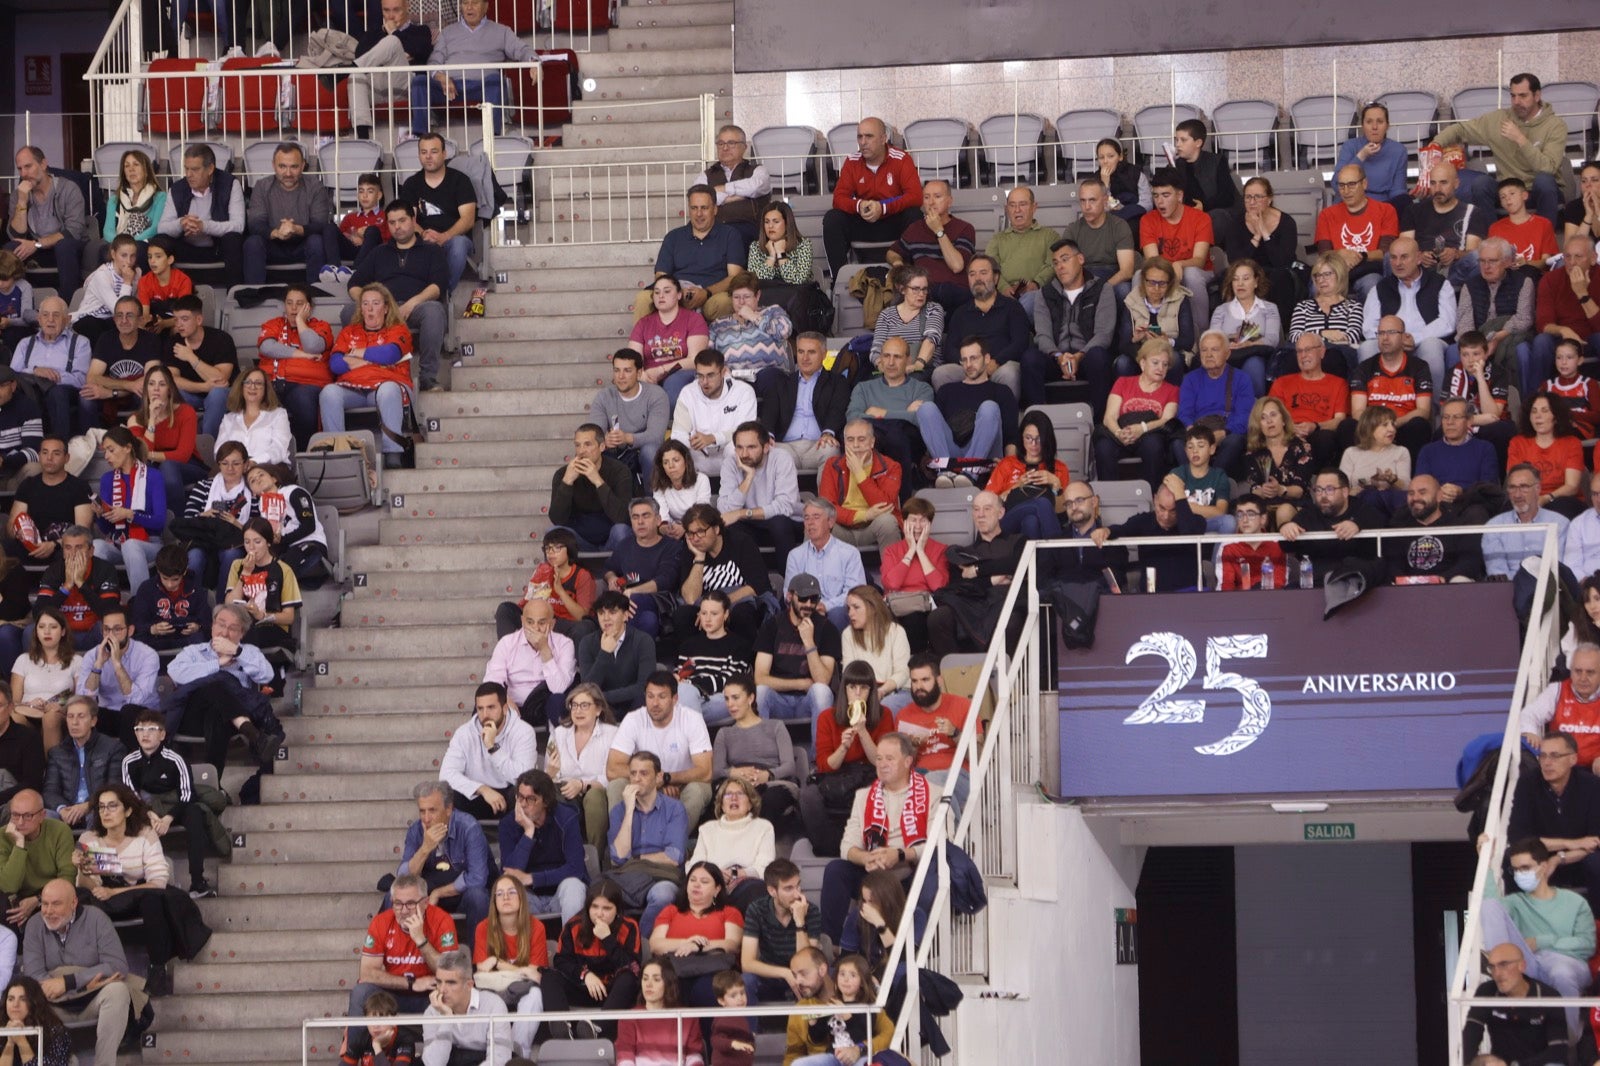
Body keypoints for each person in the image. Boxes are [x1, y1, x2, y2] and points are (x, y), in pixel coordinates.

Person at [72, 783, 210, 997]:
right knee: (78, 898)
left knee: (153, 900)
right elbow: (87, 886)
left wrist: (113, 892)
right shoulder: (88, 839)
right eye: (101, 807)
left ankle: (157, 969)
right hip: (103, 898)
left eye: (112, 806)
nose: (106, 812)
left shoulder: (145, 835)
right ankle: (84, 971)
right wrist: (81, 869)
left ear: (127, 810)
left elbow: (158, 882)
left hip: (137, 895)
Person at [819, 733, 932, 942]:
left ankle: (918, 942)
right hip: (872, 872)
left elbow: (940, 847)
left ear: (908, 761)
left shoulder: (932, 793)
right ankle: (831, 944)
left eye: (890, 758)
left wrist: (899, 855)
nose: (882, 764)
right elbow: (847, 846)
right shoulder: (864, 796)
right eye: (879, 758)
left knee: (932, 870)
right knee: (836, 869)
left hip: (908, 875)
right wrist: (866, 858)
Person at [19, 879, 132, 1066]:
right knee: (24, 1000)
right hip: (53, 1004)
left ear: (73, 903)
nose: (48, 911)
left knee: (118, 991)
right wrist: (73, 988)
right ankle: (65, 1060)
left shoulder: (96, 918)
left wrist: (70, 982)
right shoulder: (34, 924)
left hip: (91, 997)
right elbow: (33, 974)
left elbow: (117, 965)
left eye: (56, 904)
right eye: (44, 904)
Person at [162, 604, 283, 777]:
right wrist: (217, 664)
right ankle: (261, 726)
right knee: (219, 680)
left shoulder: (248, 652)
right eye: (221, 624)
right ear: (212, 626)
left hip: (228, 720)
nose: (225, 633)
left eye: (233, 628)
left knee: (217, 711)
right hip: (192, 716)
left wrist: (237, 652)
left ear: (242, 633)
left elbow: (267, 675)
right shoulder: (194, 651)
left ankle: (214, 782)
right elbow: (175, 673)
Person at [1434, 72, 1572, 224]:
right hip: (1507, 190)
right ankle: (1493, 234)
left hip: (1539, 191)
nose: (1516, 102)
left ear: (1537, 96)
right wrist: (1435, 146)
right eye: (1513, 96)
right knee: (1481, 184)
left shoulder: (1555, 125)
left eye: (1523, 96)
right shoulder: (1499, 119)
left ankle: (1545, 235)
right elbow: (1459, 129)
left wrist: (1520, 139)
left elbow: (1548, 168)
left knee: (1544, 180)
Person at [120, 708, 223, 901]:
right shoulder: (128, 761)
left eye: (151, 729)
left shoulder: (175, 759)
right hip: (146, 809)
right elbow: (131, 796)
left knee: (195, 813)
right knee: (126, 817)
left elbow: (187, 794)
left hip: (175, 806)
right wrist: (151, 816)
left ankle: (197, 882)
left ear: (162, 734)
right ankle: (136, 882)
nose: (145, 734)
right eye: (140, 729)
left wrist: (168, 819)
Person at [348, 201, 449, 396]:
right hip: (383, 310)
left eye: (402, 220)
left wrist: (412, 303)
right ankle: (363, 371)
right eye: (392, 222)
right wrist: (371, 304)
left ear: (413, 220)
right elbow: (354, 284)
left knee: (434, 311)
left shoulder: (432, 250)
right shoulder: (379, 252)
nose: (397, 227)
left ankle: (427, 377)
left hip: (417, 307)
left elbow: (437, 286)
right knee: (348, 312)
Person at [797, 662, 897, 859]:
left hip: (870, 774)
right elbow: (825, 765)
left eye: (863, 688)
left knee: (880, 791)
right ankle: (828, 849)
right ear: (844, 690)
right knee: (808, 795)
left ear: (871, 691)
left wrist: (862, 731)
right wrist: (843, 747)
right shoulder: (827, 717)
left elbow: (882, 763)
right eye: (852, 687)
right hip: (838, 776)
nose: (857, 693)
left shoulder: (884, 715)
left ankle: (871, 846)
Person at [346, 872, 458, 1041]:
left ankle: (448, 1052)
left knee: (452, 991)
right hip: (394, 992)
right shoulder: (381, 922)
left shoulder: (442, 920)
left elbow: (449, 972)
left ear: (425, 903)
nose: (404, 911)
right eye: (398, 904)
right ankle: (353, 1053)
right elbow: (367, 973)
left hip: (430, 993)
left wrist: (421, 940)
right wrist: (411, 983)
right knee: (361, 992)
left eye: (411, 904)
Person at [321, 283, 415, 470]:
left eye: (375, 303)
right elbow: (336, 364)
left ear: (386, 308)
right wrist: (373, 360)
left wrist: (356, 354)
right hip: (352, 388)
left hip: (384, 387)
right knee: (329, 392)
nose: (370, 308)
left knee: (388, 389)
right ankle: (337, 452)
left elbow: (390, 354)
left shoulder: (398, 330)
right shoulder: (349, 332)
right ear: (361, 308)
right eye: (365, 304)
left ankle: (393, 453)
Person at [605, 671, 714, 828]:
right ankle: (623, 840)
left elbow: (705, 772)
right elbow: (613, 769)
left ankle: (674, 840)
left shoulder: (692, 719)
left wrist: (668, 778)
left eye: (662, 697)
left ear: (674, 699)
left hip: (682, 784)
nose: (655, 703)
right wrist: (652, 781)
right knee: (616, 785)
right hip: (644, 783)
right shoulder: (633, 719)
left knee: (697, 790)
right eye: (650, 696)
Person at [411, 0, 531, 135]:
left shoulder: (501, 31)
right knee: (419, 82)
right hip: (449, 87)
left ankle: (492, 137)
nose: (469, 7)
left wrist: (533, 62)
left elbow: (522, 50)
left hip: (482, 86)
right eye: (465, 3)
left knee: (496, 81)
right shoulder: (447, 32)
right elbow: (434, 61)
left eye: (474, 3)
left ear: (485, 6)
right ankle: (420, 137)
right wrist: (441, 77)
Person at [1024, 238, 1114, 414]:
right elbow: (1042, 335)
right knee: (1030, 358)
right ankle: (1037, 420)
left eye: (1065, 260)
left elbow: (1104, 334)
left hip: (1087, 357)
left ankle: (1100, 422)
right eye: (1056, 263)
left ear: (1080, 259)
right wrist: (1059, 357)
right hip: (1057, 359)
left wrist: (1079, 356)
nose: (1060, 266)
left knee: (1099, 356)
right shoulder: (1045, 293)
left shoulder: (1102, 289)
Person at [822, 118, 922, 275]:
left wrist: (883, 208)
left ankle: (912, 277)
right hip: (863, 222)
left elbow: (915, 196)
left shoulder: (901, 159)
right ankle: (838, 279)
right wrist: (859, 206)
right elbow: (839, 198)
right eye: (860, 137)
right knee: (832, 218)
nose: (863, 142)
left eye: (869, 136)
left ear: (883, 139)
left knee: (914, 214)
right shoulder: (852, 161)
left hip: (892, 222)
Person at [543, 878, 643, 1036]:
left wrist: (608, 939)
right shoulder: (573, 925)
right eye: (594, 907)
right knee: (549, 976)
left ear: (617, 910)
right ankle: (560, 1027)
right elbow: (561, 961)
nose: (599, 914)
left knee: (629, 979)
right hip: (583, 987)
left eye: (607, 908)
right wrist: (585, 975)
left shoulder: (629, 926)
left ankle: (597, 1029)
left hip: (613, 994)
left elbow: (634, 967)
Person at [928, 492, 1023, 655]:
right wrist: (992, 580)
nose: (980, 515)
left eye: (987, 509)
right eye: (976, 509)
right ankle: (956, 669)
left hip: (1006, 602)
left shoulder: (1018, 541)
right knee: (938, 617)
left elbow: (1015, 564)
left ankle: (1003, 670)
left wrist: (977, 570)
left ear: (1000, 513)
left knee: (1012, 619)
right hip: (972, 604)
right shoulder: (965, 553)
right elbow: (960, 585)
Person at [395, 781, 490, 943]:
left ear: (448, 809)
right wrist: (425, 849)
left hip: (460, 894)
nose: (426, 818)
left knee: (478, 897)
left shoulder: (468, 827)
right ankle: (398, 954)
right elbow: (403, 880)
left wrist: (438, 893)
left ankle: (478, 957)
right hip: (426, 896)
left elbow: (477, 878)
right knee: (394, 898)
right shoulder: (416, 830)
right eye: (422, 811)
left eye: (432, 810)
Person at [633, 187, 744, 326]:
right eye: (694, 208)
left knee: (724, 302)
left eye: (704, 208)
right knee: (643, 299)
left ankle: (720, 339)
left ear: (715, 209)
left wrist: (706, 293)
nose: (699, 214)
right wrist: (677, 293)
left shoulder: (730, 235)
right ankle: (640, 341)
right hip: (676, 294)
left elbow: (734, 277)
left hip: (712, 295)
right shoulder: (673, 237)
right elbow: (661, 276)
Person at [607, 751, 688, 941]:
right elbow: (619, 856)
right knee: (599, 895)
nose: (637, 779)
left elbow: (673, 857)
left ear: (658, 777)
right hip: (628, 877)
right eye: (633, 773)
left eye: (644, 773)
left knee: (663, 895)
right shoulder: (619, 810)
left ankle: (638, 943)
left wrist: (636, 859)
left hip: (661, 877)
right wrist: (629, 810)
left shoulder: (674, 809)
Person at [647, 861, 744, 1016]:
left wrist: (698, 946)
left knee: (706, 989)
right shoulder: (671, 911)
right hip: (677, 969)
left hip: (713, 970)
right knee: (671, 985)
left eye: (704, 882)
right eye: (692, 880)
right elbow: (655, 944)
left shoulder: (729, 912)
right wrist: (687, 942)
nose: (696, 885)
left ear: (717, 889)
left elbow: (732, 944)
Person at [1358, 237, 1454, 387]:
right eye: (1393, 257)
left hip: (1426, 341)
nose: (1398, 263)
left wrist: (1415, 338)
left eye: (1404, 257)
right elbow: (1369, 327)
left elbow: (1447, 322)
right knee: (1367, 347)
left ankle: (1433, 402)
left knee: (1431, 346)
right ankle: (1372, 401)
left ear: (1418, 258)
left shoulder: (1439, 283)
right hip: (1390, 342)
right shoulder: (1380, 288)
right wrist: (1393, 338)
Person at [473, 871, 548, 1060]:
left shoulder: (536, 927)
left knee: (535, 995)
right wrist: (520, 970)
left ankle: (517, 1054)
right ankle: (501, 1053)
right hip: (493, 989)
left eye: (511, 892)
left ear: (521, 897)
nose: (505, 897)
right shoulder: (483, 927)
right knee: (484, 998)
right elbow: (482, 970)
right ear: (494, 901)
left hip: (523, 989)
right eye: (499, 894)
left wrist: (498, 963)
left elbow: (535, 974)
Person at [243, 142, 339, 285]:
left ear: (303, 165)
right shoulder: (262, 186)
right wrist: (276, 233)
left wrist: (295, 229)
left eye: (294, 167)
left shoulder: (315, 186)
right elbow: (255, 224)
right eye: (282, 166)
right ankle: (253, 294)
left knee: (316, 241)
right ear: (273, 165)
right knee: (252, 243)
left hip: (303, 244)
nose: (288, 173)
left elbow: (320, 224)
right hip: (272, 245)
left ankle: (318, 292)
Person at [675, 503, 774, 639]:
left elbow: (757, 585)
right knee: (683, 615)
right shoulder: (690, 548)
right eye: (690, 533)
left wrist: (719, 606)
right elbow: (691, 599)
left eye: (701, 531)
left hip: (738, 602)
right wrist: (699, 558)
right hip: (704, 607)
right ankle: (692, 653)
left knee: (742, 613)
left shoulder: (741, 542)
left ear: (716, 529)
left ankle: (745, 653)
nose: (695, 538)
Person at [440, 682, 537, 821]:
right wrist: (482, 789)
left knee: (523, 794)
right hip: (478, 795)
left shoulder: (523, 731)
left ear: (504, 708)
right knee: (448, 795)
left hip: (509, 798)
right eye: (480, 708)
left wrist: (493, 748)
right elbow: (446, 775)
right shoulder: (464, 733)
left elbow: (523, 778)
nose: (485, 714)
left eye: (491, 707)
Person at [1344, 314, 1435, 460]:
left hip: (1403, 425)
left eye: (1391, 332)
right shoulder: (1365, 368)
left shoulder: (1419, 367)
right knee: (1348, 426)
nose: (1385, 338)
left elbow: (1423, 411)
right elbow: (1357, 411)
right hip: (1372, 428)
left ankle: (1412, 473)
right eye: (1381, 333)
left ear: (1404, 337)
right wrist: (1378, 426)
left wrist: (1392, 424)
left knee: (1419, 425)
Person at [755, 574, 842, 724]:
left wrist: (809, 643)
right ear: (789, 596)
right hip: (778, 700)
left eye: (813, 599)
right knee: (760, 692)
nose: (808, 604)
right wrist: (800, 684)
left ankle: (820, 741)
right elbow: (760, 678)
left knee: (821, 691)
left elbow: (822, 680)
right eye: (803, 598)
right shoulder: (772, 625)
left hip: (808, 700)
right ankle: (762, 740)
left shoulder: (827, 629)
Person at [844, 339, 934, 486]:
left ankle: (900, 494)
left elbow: (921, 419)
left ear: (908, 360)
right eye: (886, 356)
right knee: (872, 435)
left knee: (896, 434)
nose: (891, 362)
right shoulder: (863, 388)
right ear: (880, 358)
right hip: (874, 440)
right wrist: (903, 414)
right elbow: (852, 417)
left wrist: (881, 413)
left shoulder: (922, 389)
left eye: (897, 357)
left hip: (909, 443)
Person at [156, 144, 245, 288]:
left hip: (218, 247)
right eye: (186, 169)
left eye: (195, 169)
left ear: (210, 169)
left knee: (233, 239)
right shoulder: (177, 189)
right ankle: (163, 293)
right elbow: (162, 228)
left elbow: (238, 225)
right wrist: (182, 223)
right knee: (160, 241)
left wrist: (204, 226)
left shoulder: (230, 184)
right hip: (187, 247)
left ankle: (235, 295)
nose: (189, 175)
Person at [937, 257, 1029, 397]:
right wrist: (968, 363)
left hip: (1000, 366)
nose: (977, 278)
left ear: (996, 278)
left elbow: (1020, 343)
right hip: (967, 367)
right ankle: (958, 411)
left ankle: (1006, 411)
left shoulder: (1012, 307)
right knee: (941, 374)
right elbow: (950, 348)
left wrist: (996, 362)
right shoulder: (960, 313)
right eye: (972, 274)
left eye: (983, 273)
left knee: (1009, 373)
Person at [396, 133, 476, 293]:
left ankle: (442, 292)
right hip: (423, 240)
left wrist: (445, 236)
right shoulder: (411, 184)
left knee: (459, 245)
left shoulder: (460, 181)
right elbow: (407, 219)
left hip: (454, 239)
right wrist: (423, 233)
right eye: (423, 152)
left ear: (444, 154)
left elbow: (468, 219)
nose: (428, 157)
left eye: (434, 151)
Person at [1090, 481, 1207, 591]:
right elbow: (1121, 530)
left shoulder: (1196, 521)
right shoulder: (1143, 521)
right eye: (1162, 508)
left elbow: (1191, 532)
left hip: (1190, 593)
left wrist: (1182, 500)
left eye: (1173, 511)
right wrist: (1106, 530)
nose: (1166, 516)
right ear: (1155, 500)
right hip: (1152, 596)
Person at [1276, 470, 1386, 585]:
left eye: (1329, 489)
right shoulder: (1309, 513)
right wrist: (1286, 527)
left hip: (1356, 581)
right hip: (1316, 582)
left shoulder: (1362, 509)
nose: (1323, 495)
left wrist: (1358, 524)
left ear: (1345, 492)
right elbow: (1287, 547)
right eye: (1318, 490)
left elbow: (1380, 522)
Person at [1456, 237, 1536, 395]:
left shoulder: (1523, 282)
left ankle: (1525, 399)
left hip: (1510, 337)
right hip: (1478, 339)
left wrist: (1497, 337)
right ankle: (1461, 400)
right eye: (1482, 261)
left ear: (1507, 262)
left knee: (1522, 351)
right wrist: (1477, 347)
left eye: (1492, 261)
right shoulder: (1470, 285)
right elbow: (1464, 324)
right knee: (1454, 351)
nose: (1486, 267)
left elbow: (1524, 319)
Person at [1097, 340, 1181, 490]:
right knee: (1103, 447)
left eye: (1165, 364)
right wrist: (1118, 433)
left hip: (1150, 433)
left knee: (1154, 445)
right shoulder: (1123, 382)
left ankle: (1152, 495)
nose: (1160, 368)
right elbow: (1109, 417)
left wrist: (1142, 428)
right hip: (1122, 431)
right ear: (1142, 363)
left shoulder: (1172, 390)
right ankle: (1108, 495)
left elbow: (1167, 419)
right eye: (1155, 363)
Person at [6, 148, 88, 300]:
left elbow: (74, 231)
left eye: (28, 166)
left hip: (67, 247)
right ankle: (17, 303)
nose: (24, 174)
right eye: (20, 169)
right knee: (10, 248)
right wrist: (22, 201)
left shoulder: (68, 188)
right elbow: (16, 235)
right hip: (36, 249)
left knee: (64, 246)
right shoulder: (19, 194)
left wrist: (36, 244)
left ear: (43, 164)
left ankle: (67, 305)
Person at [693, 769, 780, 911]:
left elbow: (765, 867)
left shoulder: (763, 827)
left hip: (747, 885)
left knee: (756, 890)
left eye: (740, 793)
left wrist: (737, 874)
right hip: (714, 886)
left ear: (750, 803)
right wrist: (715, 875)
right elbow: (696, 864)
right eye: (728, 794)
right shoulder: (707, 829)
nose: (734, 798)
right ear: (721, 805)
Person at [90, 427, 163, 595]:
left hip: (150, 543)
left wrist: (130, 515)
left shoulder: (153, 476)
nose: (106, 456)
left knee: (131, 545)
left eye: (111, 450)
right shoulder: (107, 479)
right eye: (105, 451)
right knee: (96, 546)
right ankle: (101, 599)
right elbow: (107, 529)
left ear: (128, 448)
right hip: (117, 542)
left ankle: (140, 601)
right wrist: (100, 515)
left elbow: (159, 522)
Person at [548, 684, 620, 854]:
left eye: (584, 705)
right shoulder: (559, 733)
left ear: (598, 709)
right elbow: (552, 775)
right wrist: (550, 773)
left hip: (597, 792)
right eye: (574, 705)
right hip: (565, 794)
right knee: (554, 795)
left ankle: (595, 855)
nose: (578, 711)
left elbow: (611, 775)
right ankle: (563, 853)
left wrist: (582, 784)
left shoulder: (613, 734)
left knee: (593, 798)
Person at [484, 597, 576, 730]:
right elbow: (492, 679)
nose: (535, 628)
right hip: (513, 704)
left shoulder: (565, 644)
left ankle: (557, 742)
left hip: (543, 703)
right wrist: (503, 699)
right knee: (487, 703)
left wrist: (545, 650)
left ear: (552, 624)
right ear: (522, 621)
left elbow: (558, 688)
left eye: (542, 623)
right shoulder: (507, 643)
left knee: (559, 701)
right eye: (530, 622)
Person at [152, 293, 236, 438]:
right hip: (192, 395)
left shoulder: (221, 339)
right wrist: (203, 387)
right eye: (176, 319)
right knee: (171, 392)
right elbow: (172, 380)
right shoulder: (173, 342)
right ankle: (179, 441)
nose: (179, 325)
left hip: (224, 395)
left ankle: (208, 443)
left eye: (184, 319)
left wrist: (191, 357)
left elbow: (221, 379)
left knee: (217, 393)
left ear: (199, 320)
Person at [173, 440, 251, 596]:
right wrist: (203, 515)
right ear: (219, 465)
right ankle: (190, 602)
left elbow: (259, 526)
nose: (230, 468)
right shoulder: (204, 486)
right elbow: (188, 518)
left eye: (236, 463)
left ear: (245, 465)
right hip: (203, 539)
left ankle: (223, 604)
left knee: (231, 555)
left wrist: (236, 523)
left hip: (234, 542)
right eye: (225, 463)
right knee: (194, 556)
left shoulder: (252, 490)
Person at [347, 0, 433, 140]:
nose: (391, 16)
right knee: (355, 76)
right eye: (386, 10)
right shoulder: (373, 33)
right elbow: (360, 55)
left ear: (407, 7)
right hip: (377, 86)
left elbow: (419, 50)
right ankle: (363, 139)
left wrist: (394, 33)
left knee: (392, 41)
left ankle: (344, 71)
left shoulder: (421, 30)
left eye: (396, 10)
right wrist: (403, 51)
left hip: (404, 86)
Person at [1141, 167, 1213, 332]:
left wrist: (1179, 264)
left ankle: (1200, 333)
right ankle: (1145, 331)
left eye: (1166, 195)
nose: (1160, 202)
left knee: (1191, 274)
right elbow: (1153, 261)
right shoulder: (1148, 220)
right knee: (1140, 275)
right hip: (1163, 272)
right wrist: (1171, 269)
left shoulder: (1201, 218)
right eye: (1156, 196)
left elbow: (1200, 260)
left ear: (1179, 196)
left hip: (1198, 272)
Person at [220, 516, 301, 662]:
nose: (251, 547)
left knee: (246, 633)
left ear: (268, 542)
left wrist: (262, 616)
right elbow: (229, 604)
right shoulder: (238, 566)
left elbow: (289, 617)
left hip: (272, 627)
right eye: (247, 542)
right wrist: (245, 573)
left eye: (257, 542)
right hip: (242, 626)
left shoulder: (283, 569)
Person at [766, 332, 848, 475]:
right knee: (767, 451)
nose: (805, 358)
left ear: (824, 354)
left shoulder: (837, 382)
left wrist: (828, 432)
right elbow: (769, 411)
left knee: (831, 450)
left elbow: (837, 410)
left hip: (818, 444)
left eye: (811, 352)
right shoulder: (782, 383)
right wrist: (768, 435)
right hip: (786, 446)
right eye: (801, 351)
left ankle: (825, 492)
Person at [885, 180, 974, 312]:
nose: (931, 202)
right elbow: (892, 252)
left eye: (937, 197)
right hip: (924, 292)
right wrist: (897, 262)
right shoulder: (915, 229)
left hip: (954, 293)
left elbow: (957, 266)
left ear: (949, 201)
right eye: (927, 197)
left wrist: (939, 231)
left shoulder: (964, 228)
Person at [1174, 330, 1254, 477]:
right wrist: (1194, 433)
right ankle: (1194, 480)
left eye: (1214, 349)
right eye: (1204, 350)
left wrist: (1223, 433)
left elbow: (1244, 416)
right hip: (1197, 431)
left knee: (1235, 441)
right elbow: (1184, 413)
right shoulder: (1190, 379)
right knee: (1178, 444)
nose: (1208, 355)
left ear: (1227, 354)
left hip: (1226, 432)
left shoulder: (1242, 379)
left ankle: (1212, 482)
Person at [602, 499, 684, 640]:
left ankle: (615, 646)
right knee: (648, 620)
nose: (640, 522)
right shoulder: (625, 545)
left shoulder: (672, 546)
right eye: (635, 517)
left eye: (646, 516)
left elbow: (665, 580)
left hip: (661, 602)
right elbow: (608, 568)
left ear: (658, 520)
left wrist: (632, 592)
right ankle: (636, 651)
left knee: (635, 600)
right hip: (632, 604)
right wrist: (612, 578)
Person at [816, 420, 901, 555]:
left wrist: (859, 474)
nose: (855, 445)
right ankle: (811, 569)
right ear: (844, 442)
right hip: (842, 527)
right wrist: (864, 515)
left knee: (888, 521)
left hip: (873, 526)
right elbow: (827, 508)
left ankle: (892, 569)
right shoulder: (832, 465)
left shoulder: (891, 466)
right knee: (817, 522)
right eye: (850, 440)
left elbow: (885, 507)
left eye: (861, 440)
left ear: (872, 442)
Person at [11, 297, 92, 438]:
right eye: (45, 315)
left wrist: (53, 376)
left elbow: (81, 379)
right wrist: (35, 371)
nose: (50, 320)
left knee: (57, 393)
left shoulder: (80, 343)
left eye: (56, 315)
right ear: (39, 319)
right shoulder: (25, 343)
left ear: (67, 319)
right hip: (31, 390)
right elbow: (12, 375)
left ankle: (60, 443)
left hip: (64, 391)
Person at [499, 527, 597, 642]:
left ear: (569, 549)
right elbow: (526, 606)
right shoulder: (543, 570)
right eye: (547, 548)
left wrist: (560, 591)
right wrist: (536, 592)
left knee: (585, 627)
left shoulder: (582, 575)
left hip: (567, 624)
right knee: (506, 609)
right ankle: (509, 651)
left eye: (557, 548)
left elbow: (581, 616)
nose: (550, 552)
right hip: (543, 620)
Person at [1315, 164, 1399, 298]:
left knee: (1371, 284)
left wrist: (1360, 256)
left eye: (1352, 184)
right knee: (1316, 286)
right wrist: (1340, 254)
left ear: (1364, 184)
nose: (1346, 191)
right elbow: (1323, 252)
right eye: (1341, 185)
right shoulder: (1327, 214)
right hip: (1336, 271)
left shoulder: (1386, 210)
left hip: (1369, 271)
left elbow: (1386, 252)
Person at [31, 526, 118, 654]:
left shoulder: (105, 570)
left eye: (79, 547)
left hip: (93, 632)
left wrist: (81, 584)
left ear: (91, 551)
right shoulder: (54, 571)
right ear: (63, 552)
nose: (73, 553)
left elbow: (111, 613)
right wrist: (66, 586)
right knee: (30, 631)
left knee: (108, 628)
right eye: (68, 548)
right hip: (62, 635)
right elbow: (39, 613)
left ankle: (113, 667)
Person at [1530, 234, 1600, 390]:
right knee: (1541, 341)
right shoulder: (1550, 279)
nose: (1572, 262)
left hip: (1591, 339)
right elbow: (1543, 323)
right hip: (1561, 340)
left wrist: (1582, 294)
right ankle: (1537, 398)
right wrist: (1563, 330)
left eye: (1578, 257)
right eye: (1567, 257)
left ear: (1593, 258)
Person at [1269, 333, 1349, 469]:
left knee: (1325, 439)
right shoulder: (1281, 383)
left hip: (1319, 434)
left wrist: (1315, 426)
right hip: (1287, 432)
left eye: (1308, 350)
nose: (1303, 355)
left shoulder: (1339, 384)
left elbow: (1339, 420)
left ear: (1322, 352)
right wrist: (1289, 428)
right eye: (1299, 351)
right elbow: (1270, 414)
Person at [419, 949, 512, 1066]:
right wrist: (447, 1019)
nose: (442, 990)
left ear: (469, 985)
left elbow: (499, 1059)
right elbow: (433, 1063)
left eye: (451, 983)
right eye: (439, 982)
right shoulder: (432, 1011)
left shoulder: (494, 1005)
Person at [631, 276, 711, 411]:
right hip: (650, 377)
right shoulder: (643, 323)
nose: (661, 296)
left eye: (667, 291)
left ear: (679, 295)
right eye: (657, 292)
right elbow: (632, 358)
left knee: (673, 384)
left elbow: (695, 360)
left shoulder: (694, 319)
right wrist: (642, 374)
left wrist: (661, 370)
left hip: (681, 373)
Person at [878, 496, 948, 650]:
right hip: (896, 607)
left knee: (915, 619)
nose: (917, 526)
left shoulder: (940, 549)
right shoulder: (892, 550)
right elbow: (892, 584)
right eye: (913, 520)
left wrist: (920, 551)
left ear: (930, 524)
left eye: (923, 520)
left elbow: (938, 586)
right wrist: (911, 551)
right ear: (904, 523)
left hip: (925, 608)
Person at [551, 423, 633, 553]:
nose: (581, 451)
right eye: (577, 445)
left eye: (587, 444)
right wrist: (567, 482)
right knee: (554, 533)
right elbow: (557, 519)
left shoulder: (620, 471)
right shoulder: (563, 474)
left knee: (621, 531)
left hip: (611, 538)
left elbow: (623, 517)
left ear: (602, 447)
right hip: (579, 541)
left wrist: (598, 481)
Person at [128, 365, 201, 511]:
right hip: (155, 466)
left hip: (189, 466)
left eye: (162, 384)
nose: (156, 389)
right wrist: (152, 420)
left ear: (169, 389)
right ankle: (151, 521)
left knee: (167, 467)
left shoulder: (186, 412)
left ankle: (177, 520)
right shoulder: (135, 419)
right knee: (144, 470)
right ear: (146, 389)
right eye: (151, 384)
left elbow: (183, 455)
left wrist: (150, 455)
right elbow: (141, 458)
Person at [783, 501, 865, 632]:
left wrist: (825, 606)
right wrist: (810, 606)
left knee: (837, 614)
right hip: (805, 609)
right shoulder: (795, 555)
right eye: (806, 518)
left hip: (837, 612)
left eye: (816, 517)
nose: (810, 523)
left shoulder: (849, 553)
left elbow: (855, 593)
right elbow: (789, 592)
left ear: (830, 522)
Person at [674, 592, 752, 728]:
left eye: (714, 614)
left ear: (726, 614)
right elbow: (679, 676)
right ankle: (696, 737)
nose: (708, 619)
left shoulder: (739, 646)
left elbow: (729, 681)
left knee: (682, 702)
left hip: (721, 699)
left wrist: (691, 684)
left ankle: (689, 734)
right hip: (690, 698)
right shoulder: (688, 645)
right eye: (703, 613)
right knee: (681, 696)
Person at [1386, 474, 1483, 583]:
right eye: (1411, 493)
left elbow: (1470, 562)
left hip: (1449, 586)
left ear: (1439, 496)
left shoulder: (1458, 524)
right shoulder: (1398, 527)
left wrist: (1441, 579)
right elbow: (1392, 565)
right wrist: (1408, 582)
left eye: (1422, 492)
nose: (1415, 498)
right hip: (1409, 589)